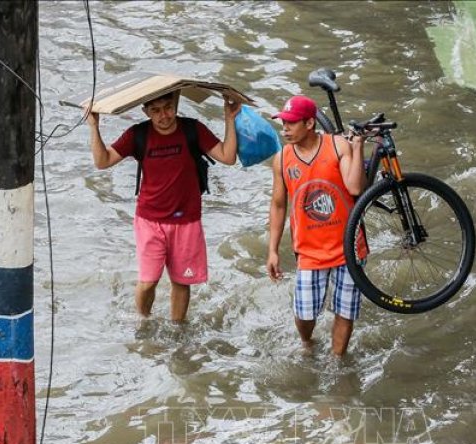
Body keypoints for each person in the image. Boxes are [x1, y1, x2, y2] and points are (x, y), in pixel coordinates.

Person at [86, 91, 241, 321]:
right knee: (148, 282)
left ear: (176, 103)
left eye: (168, 107)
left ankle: (178, 329)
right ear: (146, 112)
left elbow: (228, 157)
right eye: (155, 110)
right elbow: (103, 161)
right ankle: (143, 321)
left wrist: (229, 119)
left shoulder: (193, 130)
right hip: (150, 221)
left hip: (187, 220)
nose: (163, 115)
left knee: (181, 281)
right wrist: (94, 125)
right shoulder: (137, 134)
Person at [266, 95, 367, 356]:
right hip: (309, 251)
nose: (285, 128)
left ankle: (337, 360)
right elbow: (278, 205)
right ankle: (308, 343)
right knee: (305, 314)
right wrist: (273, 250)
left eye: (290, 123)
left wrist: (357, 148)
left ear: (310, 123)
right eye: (283, 123)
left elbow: (355, 187)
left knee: (345, 311)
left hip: (349, 246)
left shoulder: (337, 146)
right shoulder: (282, 159)